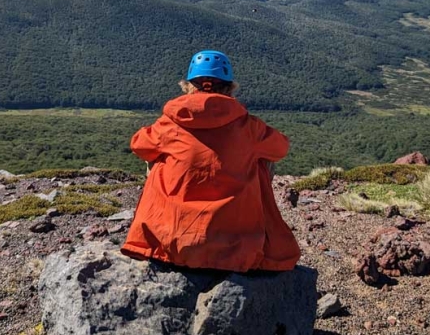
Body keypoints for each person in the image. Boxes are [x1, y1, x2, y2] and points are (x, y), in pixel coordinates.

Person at [121, 50, 301, 272]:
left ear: (188, 86)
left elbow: (138, 144)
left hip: (172, 241)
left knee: (156, 157)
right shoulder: (249, 127)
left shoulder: (169, 123)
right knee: (262, 159)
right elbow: (281, 148)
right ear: (229, 88)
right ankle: (249, 227)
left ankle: (160, 223)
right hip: (235, 243)